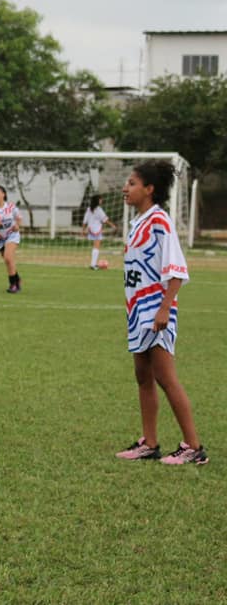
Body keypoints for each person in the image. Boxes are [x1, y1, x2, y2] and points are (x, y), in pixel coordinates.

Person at [115, 160, 207, 465]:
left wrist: (164, 308)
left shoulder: (159, 221)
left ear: (149, 189)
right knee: (142, 377)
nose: (125, 189)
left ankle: (194, 447)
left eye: (132, 183)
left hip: (156, 310)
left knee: (166, 378)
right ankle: (150, 444)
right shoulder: (138, 222)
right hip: (138, 311)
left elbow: (177, 271)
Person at [82, 194, 118, 270]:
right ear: (97, 201)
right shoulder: (98, 210)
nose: (101, 200)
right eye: (100, 199)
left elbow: (85, 220)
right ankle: (93, 265)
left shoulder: (89, 209)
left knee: (95, 246)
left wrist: (83, 229)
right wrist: (113, 226)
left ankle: (93, 264)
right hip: (97, 230)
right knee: (96, 247)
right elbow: (105, 220)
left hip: (90, 229)